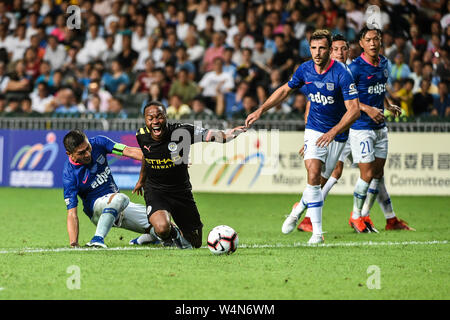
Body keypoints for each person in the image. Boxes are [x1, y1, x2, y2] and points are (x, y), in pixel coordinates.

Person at [246, 29, 361, 244]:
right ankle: (317, 233)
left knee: (318, 182)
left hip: (337, 133)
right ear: (310, 49)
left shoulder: (342, 74)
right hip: (315, 129)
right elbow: (283, 91)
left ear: (329, 50)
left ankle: (297, 209)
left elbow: (354, 110)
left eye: (322, 48)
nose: (317, 53)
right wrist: (260, 110)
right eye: (314, 48)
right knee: (313, 173)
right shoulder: (305, 69)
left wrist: (333, 131)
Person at [133, 101, 246, 249]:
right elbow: (146, 157)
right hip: (156, 190)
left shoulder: (182, 132)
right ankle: (166, 234)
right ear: (145, 120)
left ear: (166, 117)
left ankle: (161, 235)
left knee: (195, 243)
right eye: (150, 118)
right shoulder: (141, 135)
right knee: (162, 227)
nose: (155, 121)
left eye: (159, 117)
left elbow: (211, 135)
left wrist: (230, 133)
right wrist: (141, 180)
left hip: (181, 191)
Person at [346, 27, 414, 232]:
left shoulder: (384, 63)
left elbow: (379, 88)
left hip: (380, 126)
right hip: (361, 127)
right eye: (369, 40)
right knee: (366, 175)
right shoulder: (355, 68)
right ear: (361, 43)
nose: (373, 43)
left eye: (376, 39)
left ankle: (365, 215)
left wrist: (387, 104)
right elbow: (347, 97)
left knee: (377, 174)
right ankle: (356, 216)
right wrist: (367, 109)